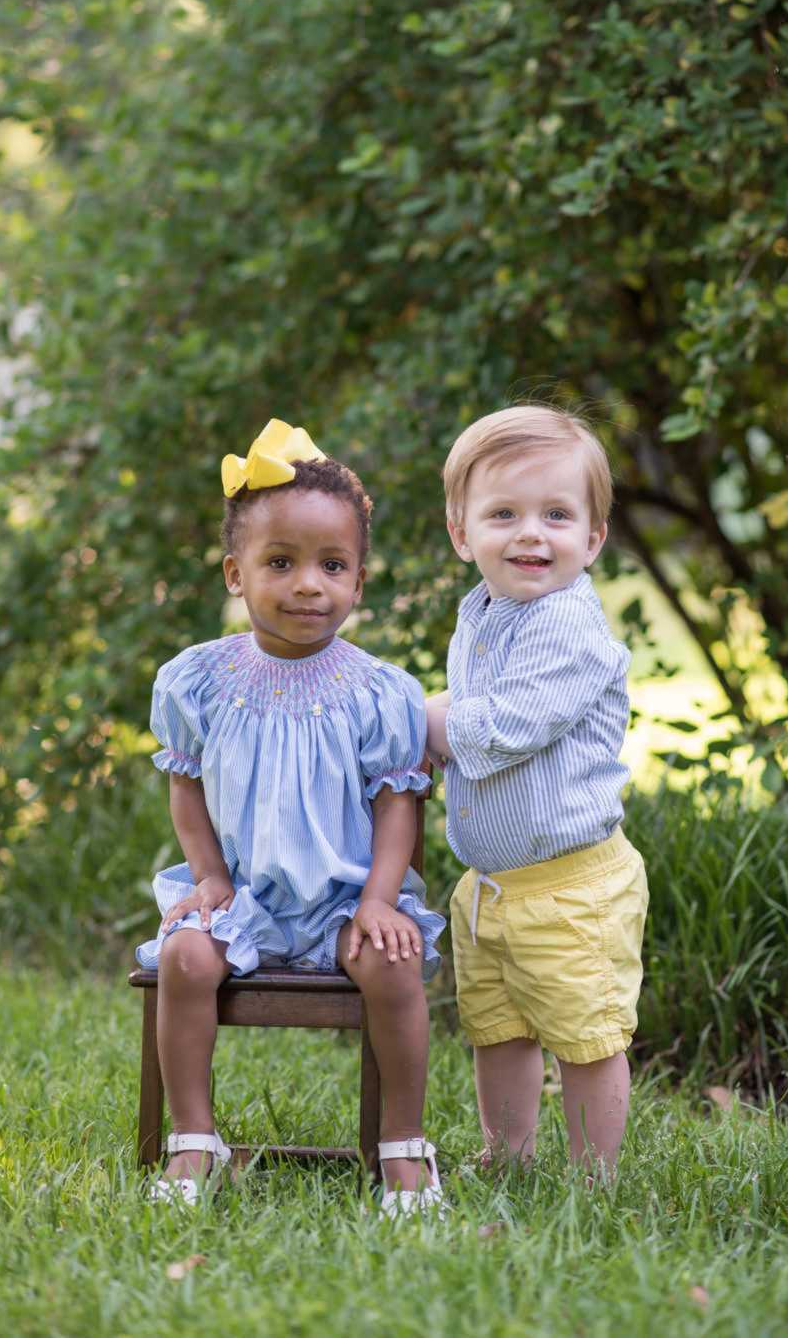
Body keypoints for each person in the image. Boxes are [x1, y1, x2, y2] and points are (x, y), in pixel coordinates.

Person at [136, 418, 445, 1214]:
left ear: (359, 582)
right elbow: (186, 785)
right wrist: (207, 878)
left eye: (332, 565)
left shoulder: (380, 691)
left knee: (392, 962)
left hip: (347, 899)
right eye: (282, 562)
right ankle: (195, 1140)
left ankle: (404, 1149)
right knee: (186, 959)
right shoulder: (197, 681)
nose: (310, 584)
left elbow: (396, 805)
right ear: (237, 573)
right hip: (245, 900)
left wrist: (381, 897)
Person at [425, 404, 647, 1177]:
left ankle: (595, 1175)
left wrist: (421, 724)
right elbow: (471, 707)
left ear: (592, 538)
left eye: (557, 514)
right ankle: (506, 1156)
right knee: (499, 1030)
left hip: (569, 888)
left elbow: (509, 721)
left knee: (586, 1036)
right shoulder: (483, 612)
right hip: (491, 887)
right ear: (463, 533)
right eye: (504, 514)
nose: (531, 533)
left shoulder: (567, 625)